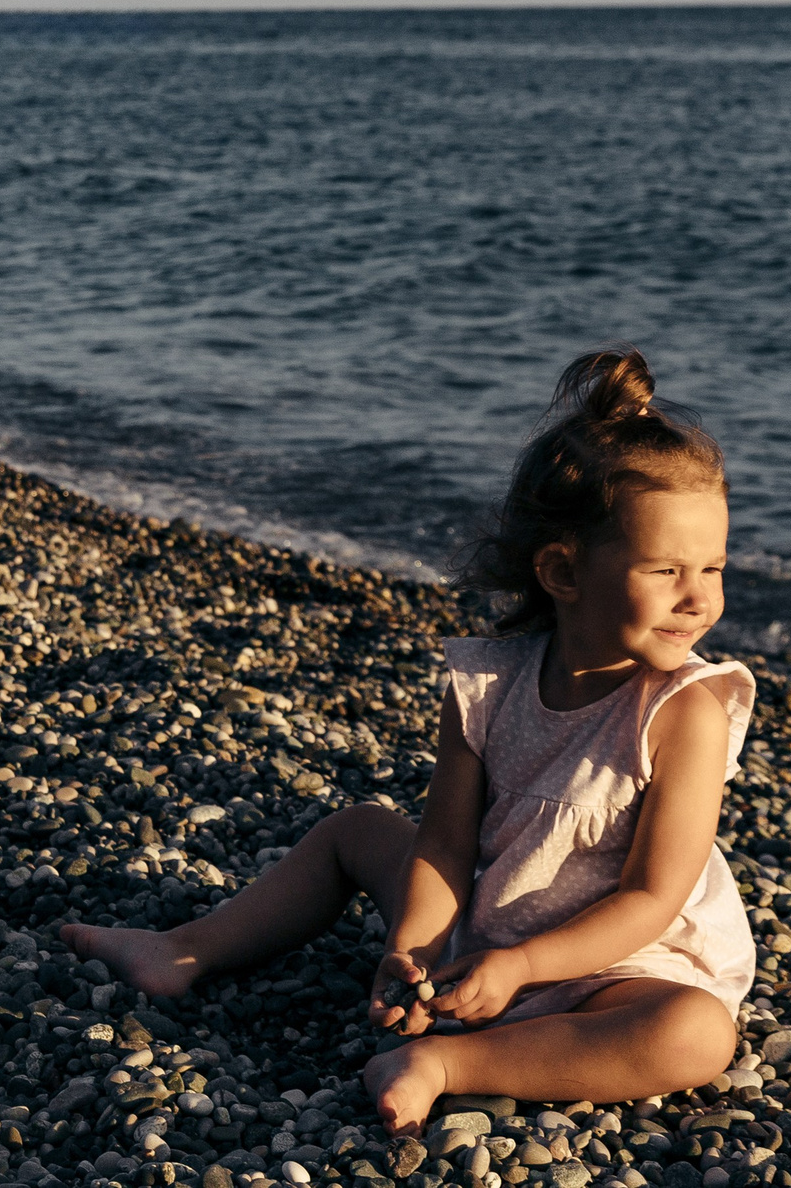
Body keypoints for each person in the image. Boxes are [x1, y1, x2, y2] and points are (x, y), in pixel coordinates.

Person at [63, 347, 752, 1131]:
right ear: (563, 572)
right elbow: (446, 843)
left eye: (715, 568)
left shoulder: (684, 708)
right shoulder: (489, 684)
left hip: (616, 964)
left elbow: (652, 898)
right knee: (356, 830)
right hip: (486, 924)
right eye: (667, 570)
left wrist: (524, 965)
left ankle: (449, 1060)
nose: (699, 598)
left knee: (694, 1034)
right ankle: (184, 950)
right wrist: (415, 947)